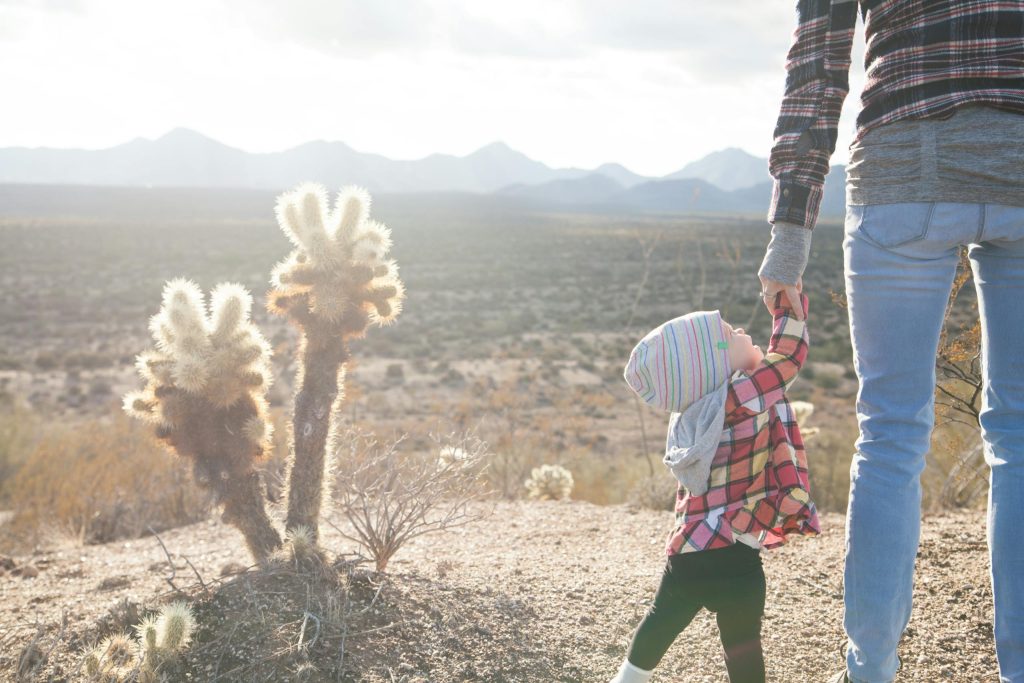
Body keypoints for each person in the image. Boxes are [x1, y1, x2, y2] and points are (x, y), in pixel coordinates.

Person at [758, 3, 1024, 682]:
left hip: (904, 164)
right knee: (1022, 440)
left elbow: (817, 62)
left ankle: (868, 670)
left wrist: (789, 236)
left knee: (890, 437)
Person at [611, 291, 819, 683]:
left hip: (689, 552)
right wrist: (785, 305)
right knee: (742, 645)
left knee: (660, 623)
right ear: (715, 364)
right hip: (736, 557)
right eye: (729, 333)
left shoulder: (690, 414)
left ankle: (627, 679)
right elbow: (788, 357)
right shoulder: (740, 396)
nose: (740, 330)